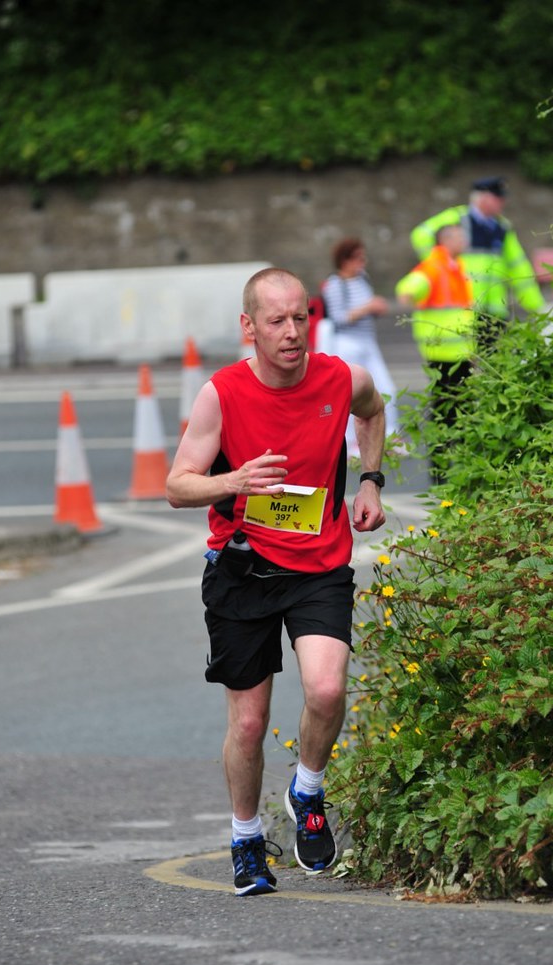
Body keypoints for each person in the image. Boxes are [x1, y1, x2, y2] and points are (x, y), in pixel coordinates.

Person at [166, 267, 387, 897]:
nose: (292, 333)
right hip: (243, 570)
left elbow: (371, 413)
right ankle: (244, 841)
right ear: (249, 327)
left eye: (300, 319)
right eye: (276, 321)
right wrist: (233, 482)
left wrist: (371, 481)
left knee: (325, 689)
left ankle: (307, 791)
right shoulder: (222, 393)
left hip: (319, 565)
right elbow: (178, 485)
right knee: (247, 724)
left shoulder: (343, 378)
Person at [409, 176, 545, 351]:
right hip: (467, 307)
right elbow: (421, 236)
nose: (502, 202)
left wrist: (537, 307)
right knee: (466, 363)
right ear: (483, 198)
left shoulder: (502, 227)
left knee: (496, 363)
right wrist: (441, 265)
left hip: (495, 310)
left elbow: (518, 268)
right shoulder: (457, 218)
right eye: (498, 198)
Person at [395, 224, 475, 482]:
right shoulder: (436, 264)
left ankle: (450, 465)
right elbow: (411, 286)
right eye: (459, 235)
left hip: (457, 351)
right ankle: (439, 468)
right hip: (442, 351)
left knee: (456, 407)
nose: (464, 239)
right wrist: (408, 294)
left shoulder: (454, 264)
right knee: (445, 409)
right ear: (446, 239)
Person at [321, 238, 402, 456]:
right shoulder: (335, 284)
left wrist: (375, 308)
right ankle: (351, 442)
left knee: (386, 389)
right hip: (347, 343)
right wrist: (368, 307)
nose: (362, 262)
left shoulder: (362, 279)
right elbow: (339, 317)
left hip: (368, 341)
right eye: (358, 258)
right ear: (345, 260)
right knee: (350, 393)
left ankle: (389, 436)